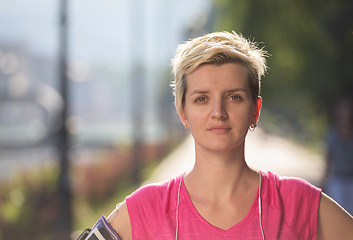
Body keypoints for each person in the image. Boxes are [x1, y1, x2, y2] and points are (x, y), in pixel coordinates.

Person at [105, 31, 353, 239]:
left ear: (255, 111)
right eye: (201, 99)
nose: (218, 112)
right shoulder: (145, 209)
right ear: (183, 112)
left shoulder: (299, 203)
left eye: (234, 97)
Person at [323, 97, 353, 214]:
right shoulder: (332, 133)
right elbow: (328, 158)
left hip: (351, 178)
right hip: (337, 179)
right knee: (338, 212)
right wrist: (324, 181)